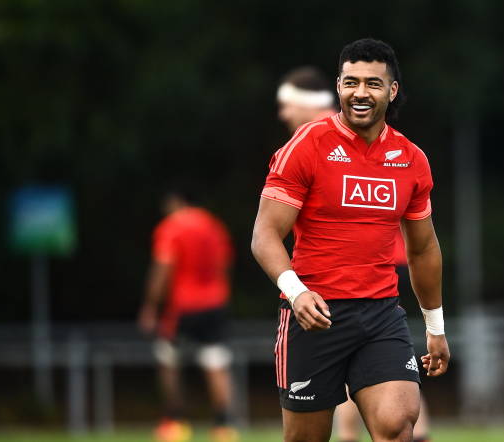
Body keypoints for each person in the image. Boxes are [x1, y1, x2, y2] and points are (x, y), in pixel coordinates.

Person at [252, 38, 450, 442]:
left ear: (391, 91)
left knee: (397, 425)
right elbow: (265, 234)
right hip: (315, 314)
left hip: (381, 315)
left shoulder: (411, 159)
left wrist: (435, 326)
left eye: (373, 84)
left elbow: (423, 248)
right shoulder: (307, 145)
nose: (360, 93)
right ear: (339, 86)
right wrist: (296, 292)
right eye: (351, 82)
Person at [138, 186, 238, 442]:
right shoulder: (214, 226)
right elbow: (224, 264)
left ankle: (175, 422)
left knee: (169, 360)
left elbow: (164, 268)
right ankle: (223, 426)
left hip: (182, 305)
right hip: (215, 302)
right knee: (216, 363)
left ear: (175, 203)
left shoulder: (172, 227)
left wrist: (151, 306)